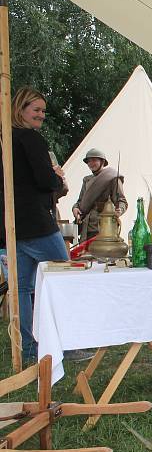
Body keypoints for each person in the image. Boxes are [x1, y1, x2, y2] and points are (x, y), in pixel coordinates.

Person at [0, 87, 68, 363]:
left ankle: (28, 348)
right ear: (20, 109)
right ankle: (70, 342)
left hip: (11, 225)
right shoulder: (31, 138)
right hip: (37, 223)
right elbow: (44, 180)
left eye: (43, 110)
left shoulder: (6, 140)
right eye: (35, 109)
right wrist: (57, 177)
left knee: (23, 288)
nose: (41, 114)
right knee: (66, 278)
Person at [72, 148, 127, 241]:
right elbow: (80, 201)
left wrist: (119, 210)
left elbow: (121, 201)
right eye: (89, 161)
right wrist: (75, 208)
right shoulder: (86, 180)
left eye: (94, 160)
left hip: (105, 226)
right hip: (86, 227)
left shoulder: (112, 178)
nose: (91, 163)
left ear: (102, 162)